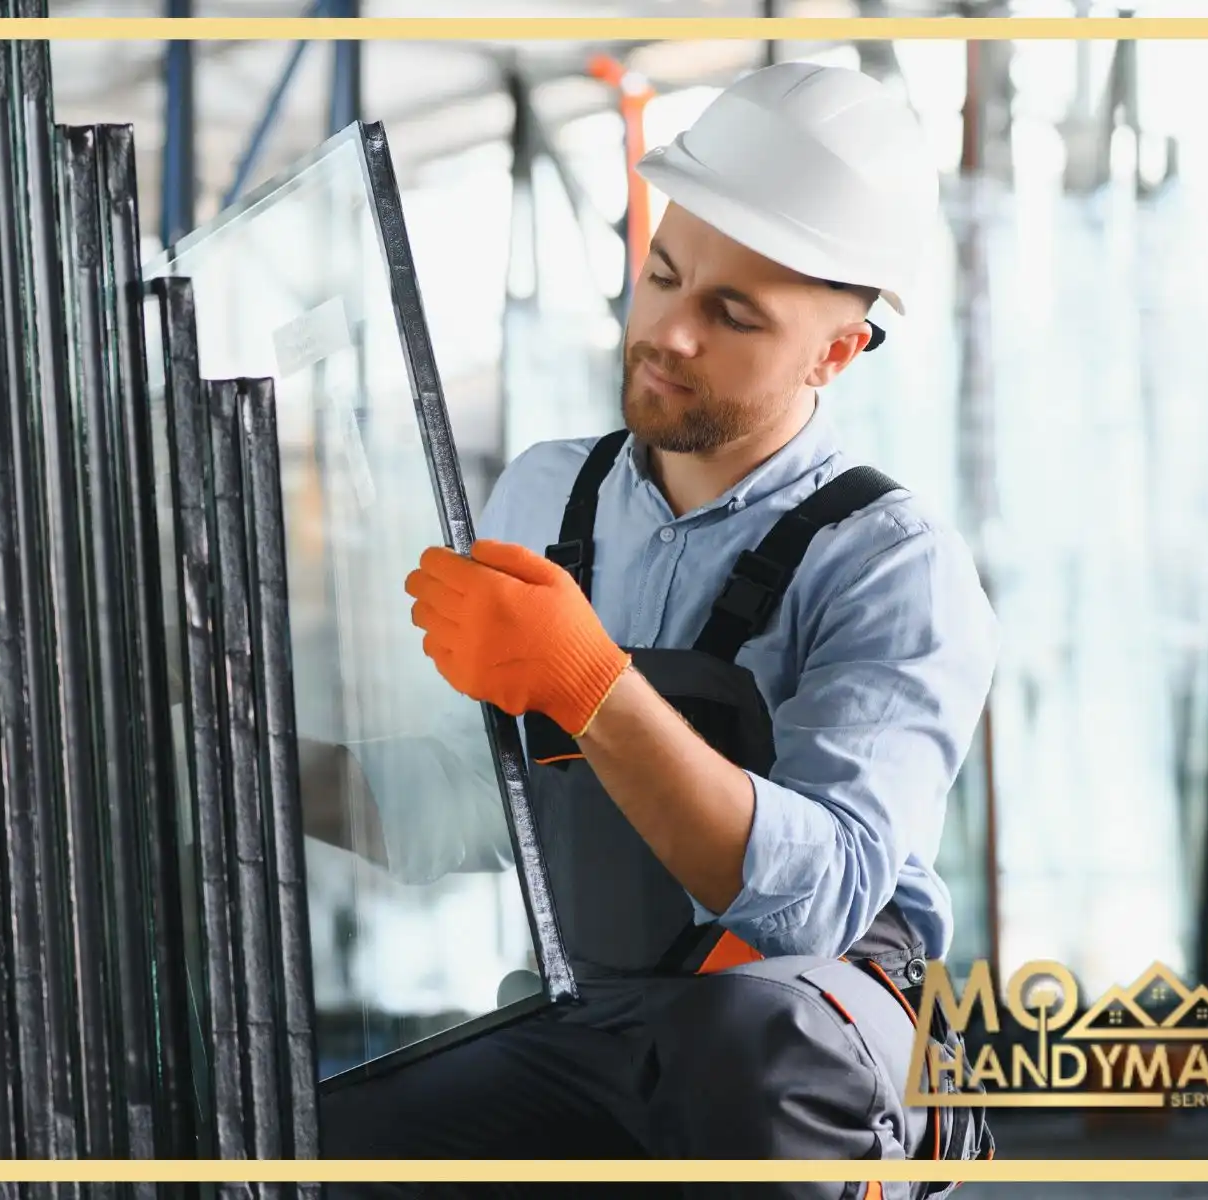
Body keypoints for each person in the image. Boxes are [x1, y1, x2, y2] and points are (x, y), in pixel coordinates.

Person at [311, 61, 999, 1195]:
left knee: (743, 1054)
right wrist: (246, 773)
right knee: (341, 1141)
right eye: (665, 275)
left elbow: (821, 901)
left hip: (828, 1026)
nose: (669, 332)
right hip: (605, 1010)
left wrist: (590, 684)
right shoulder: (544, 498)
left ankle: (909, 1150)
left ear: (835, 353)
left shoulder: (893, 565)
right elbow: (479, 799)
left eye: (732, 314)